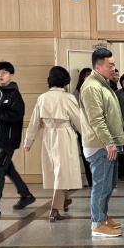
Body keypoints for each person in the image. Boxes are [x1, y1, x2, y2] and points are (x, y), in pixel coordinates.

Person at [24, 66, 85, 222]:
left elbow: (34, 121)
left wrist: (28, 141)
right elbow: (78, 120)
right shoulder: (68, 98)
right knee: (63, 172)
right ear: (65, 81)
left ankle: (64, 200)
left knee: (58, 171)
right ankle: (55, 209)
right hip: (64, 136)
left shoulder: (42, 98)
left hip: (48, 136)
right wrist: (88, 137)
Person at [78, 47, 124, 238]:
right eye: (110, 65)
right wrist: (109, 142)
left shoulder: (102, 83)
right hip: (99, 145)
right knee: (101, 185)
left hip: (105, 143)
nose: (114, 68)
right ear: (98, 66)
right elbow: (96, 119)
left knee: (108, 183)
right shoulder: (92, 87)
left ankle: (103, 216)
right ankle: (97, 224)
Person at [0, 61, 35, 219]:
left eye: (4, 72)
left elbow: (16, 116)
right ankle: (26, 195)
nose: (0, 75)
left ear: (11, 75)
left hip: (8, 141)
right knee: (8, 168)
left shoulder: (15, 95)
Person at [74, 67, 94, 187]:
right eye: (86, 75)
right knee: (87, 156)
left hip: (95, 128)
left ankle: (97, 179)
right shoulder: (77, 93)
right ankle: (91, 180)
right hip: (82, 129)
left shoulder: (95, 90)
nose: (88, 77)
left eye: (90, 75)